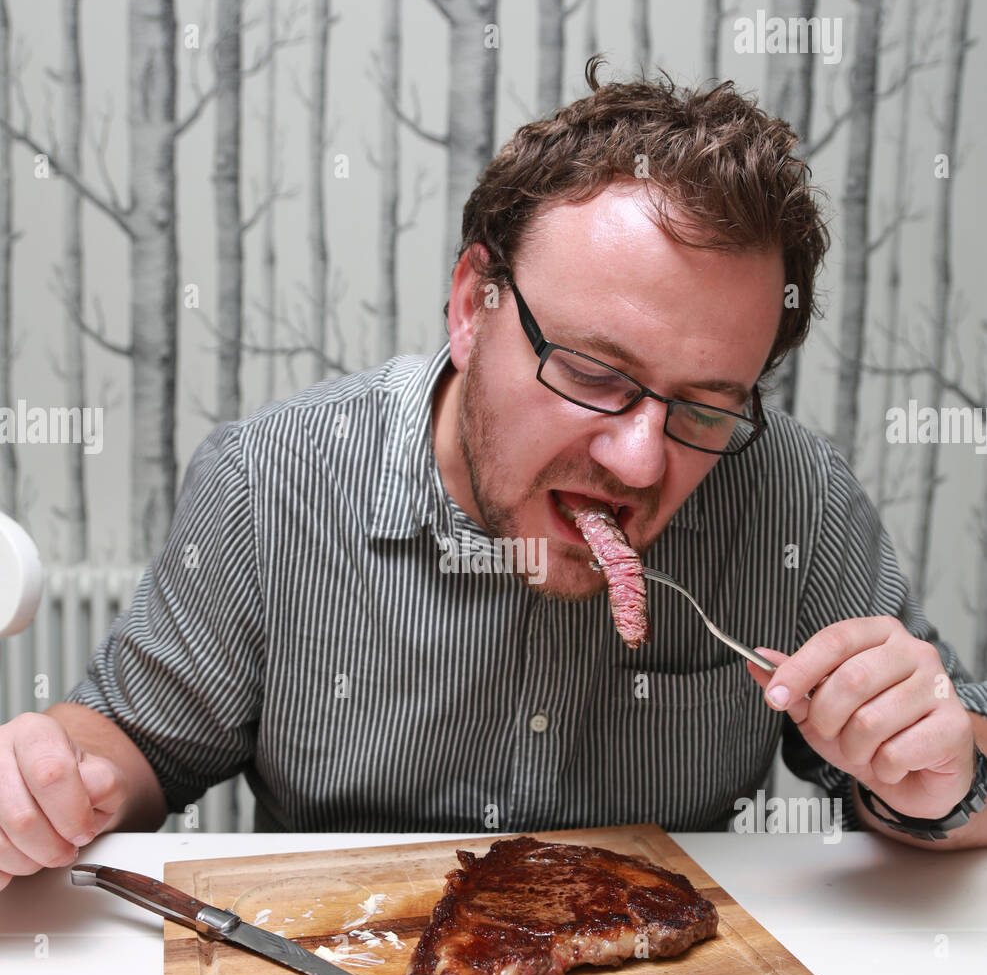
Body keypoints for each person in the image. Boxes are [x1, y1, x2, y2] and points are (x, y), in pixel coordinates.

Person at [2, 58, 986, 891]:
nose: (642, 456)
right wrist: (50, 778)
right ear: (473, 305)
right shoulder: (272, 481)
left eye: (703, 404)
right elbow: (137, 741)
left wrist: (938, 773)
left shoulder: (787, 495)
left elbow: (946, 769)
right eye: (595, 372)